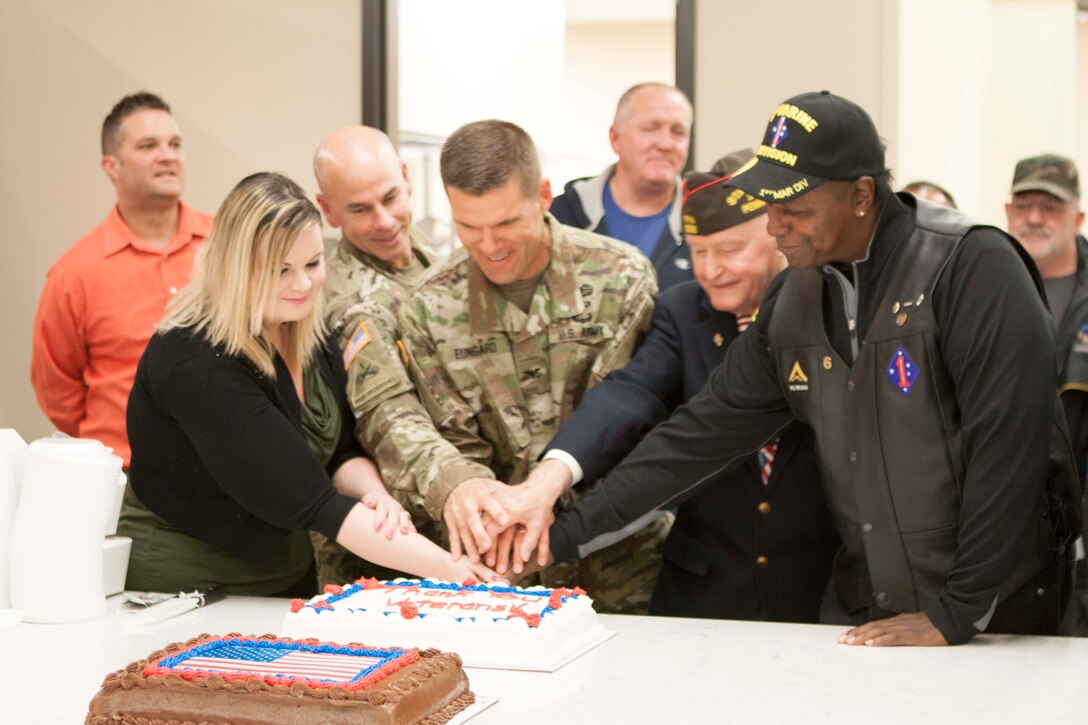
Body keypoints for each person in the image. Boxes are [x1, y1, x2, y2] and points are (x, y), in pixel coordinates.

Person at [528, 91, 1082, 645]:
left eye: (793, 209)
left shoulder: (972, 266)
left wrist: (957, 612)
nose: (775, 227)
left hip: (995, 616)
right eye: (770, 207)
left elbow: (1012, 446)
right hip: (869, 607)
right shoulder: (794, 297)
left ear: (861, 194)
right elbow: (701, 435)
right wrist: (561, 535)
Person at [486, 155, 839, 623]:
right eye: (698, 252)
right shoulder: (683, 311)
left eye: (730, 250)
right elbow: (631, 394)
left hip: (818, 591)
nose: (712, 270)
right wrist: (548, 480)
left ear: (778, 235)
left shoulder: (830, 310)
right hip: (704, 595)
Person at [117, 172, 495, 596]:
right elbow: (316, 503)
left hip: (282, 567)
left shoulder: (303, 327)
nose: (302, 284)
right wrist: (451, 570)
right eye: (280, 270)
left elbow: (339, 453)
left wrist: (376, 497)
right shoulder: (196, 361)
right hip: (189, 581)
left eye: (313, 264)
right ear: (235, 268)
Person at [396, 119, 666, 613]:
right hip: (497, 576)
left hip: (618, 560)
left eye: (505, 223)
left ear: (543, 195)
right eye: (468, 227)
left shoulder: (621, 278)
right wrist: (489, 508)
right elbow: (453, 437)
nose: (488, 244)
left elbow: (632, 421)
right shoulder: (429, 306)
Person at [31, 92, 212, 467]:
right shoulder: (74, 274)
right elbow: (57, 393)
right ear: (112, 166)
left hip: (227, 473)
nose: (168, 155)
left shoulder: (227, 246)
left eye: (174, 144)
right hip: (127, 481)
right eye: (148, 145)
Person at [312, 126, 455, 587]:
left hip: (445, 526)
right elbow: (388, 421)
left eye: (390, 197)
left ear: (408, 178)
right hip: (388, 545)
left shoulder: (435, 262)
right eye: (360, 209)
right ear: (328, 211)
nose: (385, 220)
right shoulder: (345, 302)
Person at [1004, 153, 1088, 635]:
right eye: (1025, 203)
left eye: (1050, 206)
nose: (1034, 217)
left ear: (1077, 217)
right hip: (1008, 535)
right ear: (1007, 210)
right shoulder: (982, 288)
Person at [550, 82, 694, 289]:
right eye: (650, 129)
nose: (665, 144)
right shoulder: (560, 219)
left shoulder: (705, 222)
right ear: (615, 138)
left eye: (678, 132)